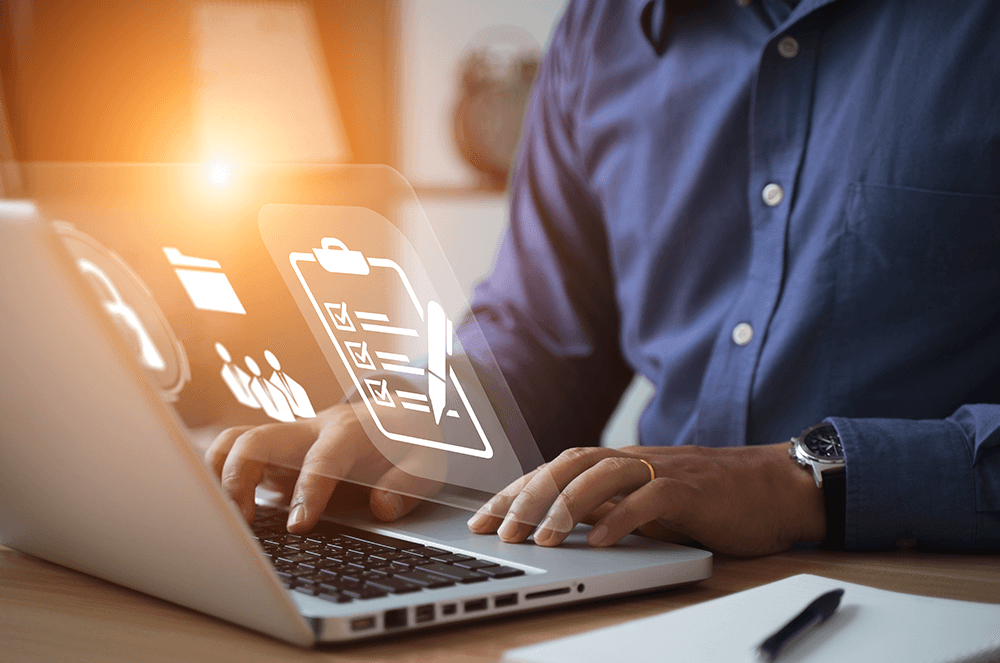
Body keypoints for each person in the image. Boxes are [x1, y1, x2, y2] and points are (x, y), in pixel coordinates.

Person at [208, 0, 1000, 556]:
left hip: (928, 591)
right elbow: (544, 335)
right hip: (652, 574)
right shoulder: (600, 29)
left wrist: (802, 480)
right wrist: (429, 418)